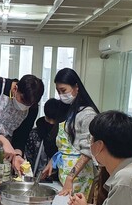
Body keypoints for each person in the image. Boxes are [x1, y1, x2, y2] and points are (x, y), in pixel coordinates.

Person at [41, 68, 99, 197]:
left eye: (63, 90)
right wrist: (53, 161)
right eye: (58, 91)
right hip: (65, 174)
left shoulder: (87, 114)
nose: (61, 95)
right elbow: (67, 147)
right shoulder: (70, 112)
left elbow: (88, 151)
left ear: (76, 87)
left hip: (80, 177)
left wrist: (70, 178)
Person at [24, 98, 68, 176]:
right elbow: (28, 160)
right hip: (37, 178)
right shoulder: (34, 134)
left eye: (54, 120)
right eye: (48, 118)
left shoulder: (64, 135)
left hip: (60, 178)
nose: (51, 122)